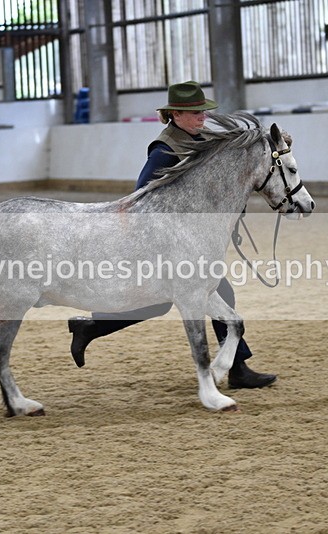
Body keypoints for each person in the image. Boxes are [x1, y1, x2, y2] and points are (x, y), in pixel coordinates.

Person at [67, 80, 276, 389]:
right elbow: (142, 195)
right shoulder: (164, 149)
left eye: (203, 112)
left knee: (184, 297)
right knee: (198, 294)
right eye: (196, 113)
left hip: (187, 244)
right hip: (162, 244)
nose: (203, 117)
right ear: (175, 114)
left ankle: (92, 328)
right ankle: (237, 369)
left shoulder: (199, 138)